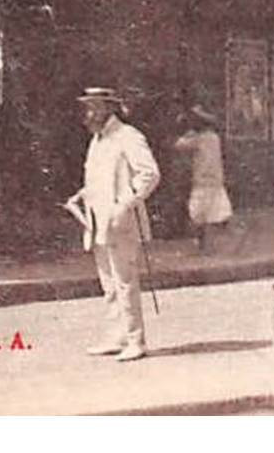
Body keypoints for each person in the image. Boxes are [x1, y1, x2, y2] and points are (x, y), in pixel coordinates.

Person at [65, 88, 159, 362]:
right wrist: (82, 195)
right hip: (97, 221)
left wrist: (124, 204)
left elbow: (149, 174)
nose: (87, 115)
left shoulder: (128, 136)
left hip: (121, 221)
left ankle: (135, 340)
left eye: (92, 108)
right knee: (109, 283)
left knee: (125, 281)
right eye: (86, 108)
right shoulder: (98, 140)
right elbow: (101, 178)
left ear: (108, 108)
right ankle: (116, 336)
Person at [173, 105, 233, 253]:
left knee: (199, 216)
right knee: (211, 216)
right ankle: (208, 246)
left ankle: (203, 246)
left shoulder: (197, 139)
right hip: (215, 181)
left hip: (201, 182)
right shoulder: (214, 138)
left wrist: (186, 132)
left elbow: (178, 145)